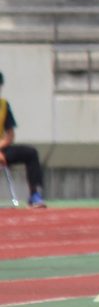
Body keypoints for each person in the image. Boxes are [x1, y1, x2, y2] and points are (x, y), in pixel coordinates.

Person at [0, 71, 47, 208]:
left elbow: (10, 135)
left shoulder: (4, 105)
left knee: (31, 153)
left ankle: (35, 195)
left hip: (1, 148)